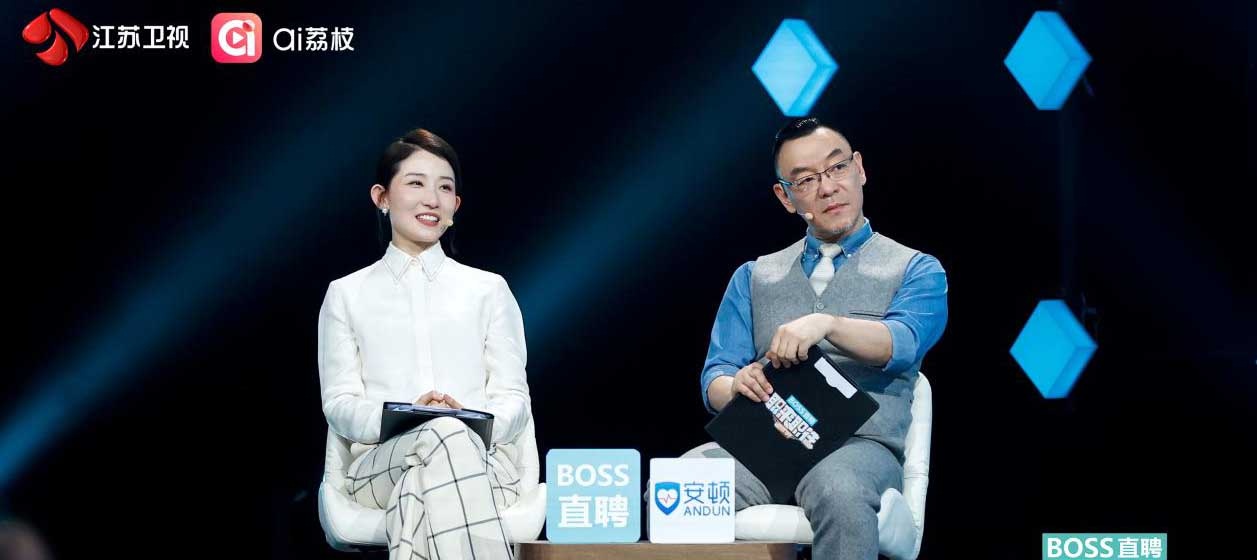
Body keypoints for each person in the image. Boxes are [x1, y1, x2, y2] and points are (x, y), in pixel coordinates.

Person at [693, 117, 948, 559]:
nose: (828, 188)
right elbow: (715, 378)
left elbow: (901, 342)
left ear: (860, 169)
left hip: (861, 447)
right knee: (681, 486)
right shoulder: (754, 276)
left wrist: (827, 324)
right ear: (785, 197)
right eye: (806, 180)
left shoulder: (916, 269)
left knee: (837, 487)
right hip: (767, 439)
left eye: (837, 168)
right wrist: (736, 386)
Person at [318, 128, 530, 560]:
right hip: (380, 466)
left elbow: (514, 399)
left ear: (456, 206)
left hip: (483, 465)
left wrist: (468, 420)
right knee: (440, 435)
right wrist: (406, 417)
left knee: (432, 465)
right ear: (382, 197)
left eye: (445, 188)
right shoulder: (346, 294)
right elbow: (339, 403)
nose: (432, 199)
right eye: (416, 183)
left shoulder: (488, 290)